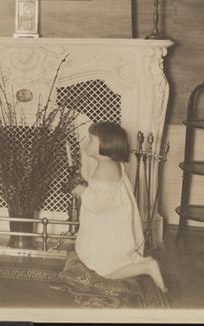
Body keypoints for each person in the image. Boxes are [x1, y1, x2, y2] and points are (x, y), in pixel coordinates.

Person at [72, 121, 167, 292]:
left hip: (108, 228)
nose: (86, 142)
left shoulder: (105, 169)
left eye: (91, 139)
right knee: (111, 256)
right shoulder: (109, 164)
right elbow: (105, 193)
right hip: (109, 222)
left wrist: (83, 192)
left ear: (105, 144)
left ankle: (147, 268)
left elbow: (101, 203)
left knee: (106, 270)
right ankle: (142, 261)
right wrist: (86, 187)